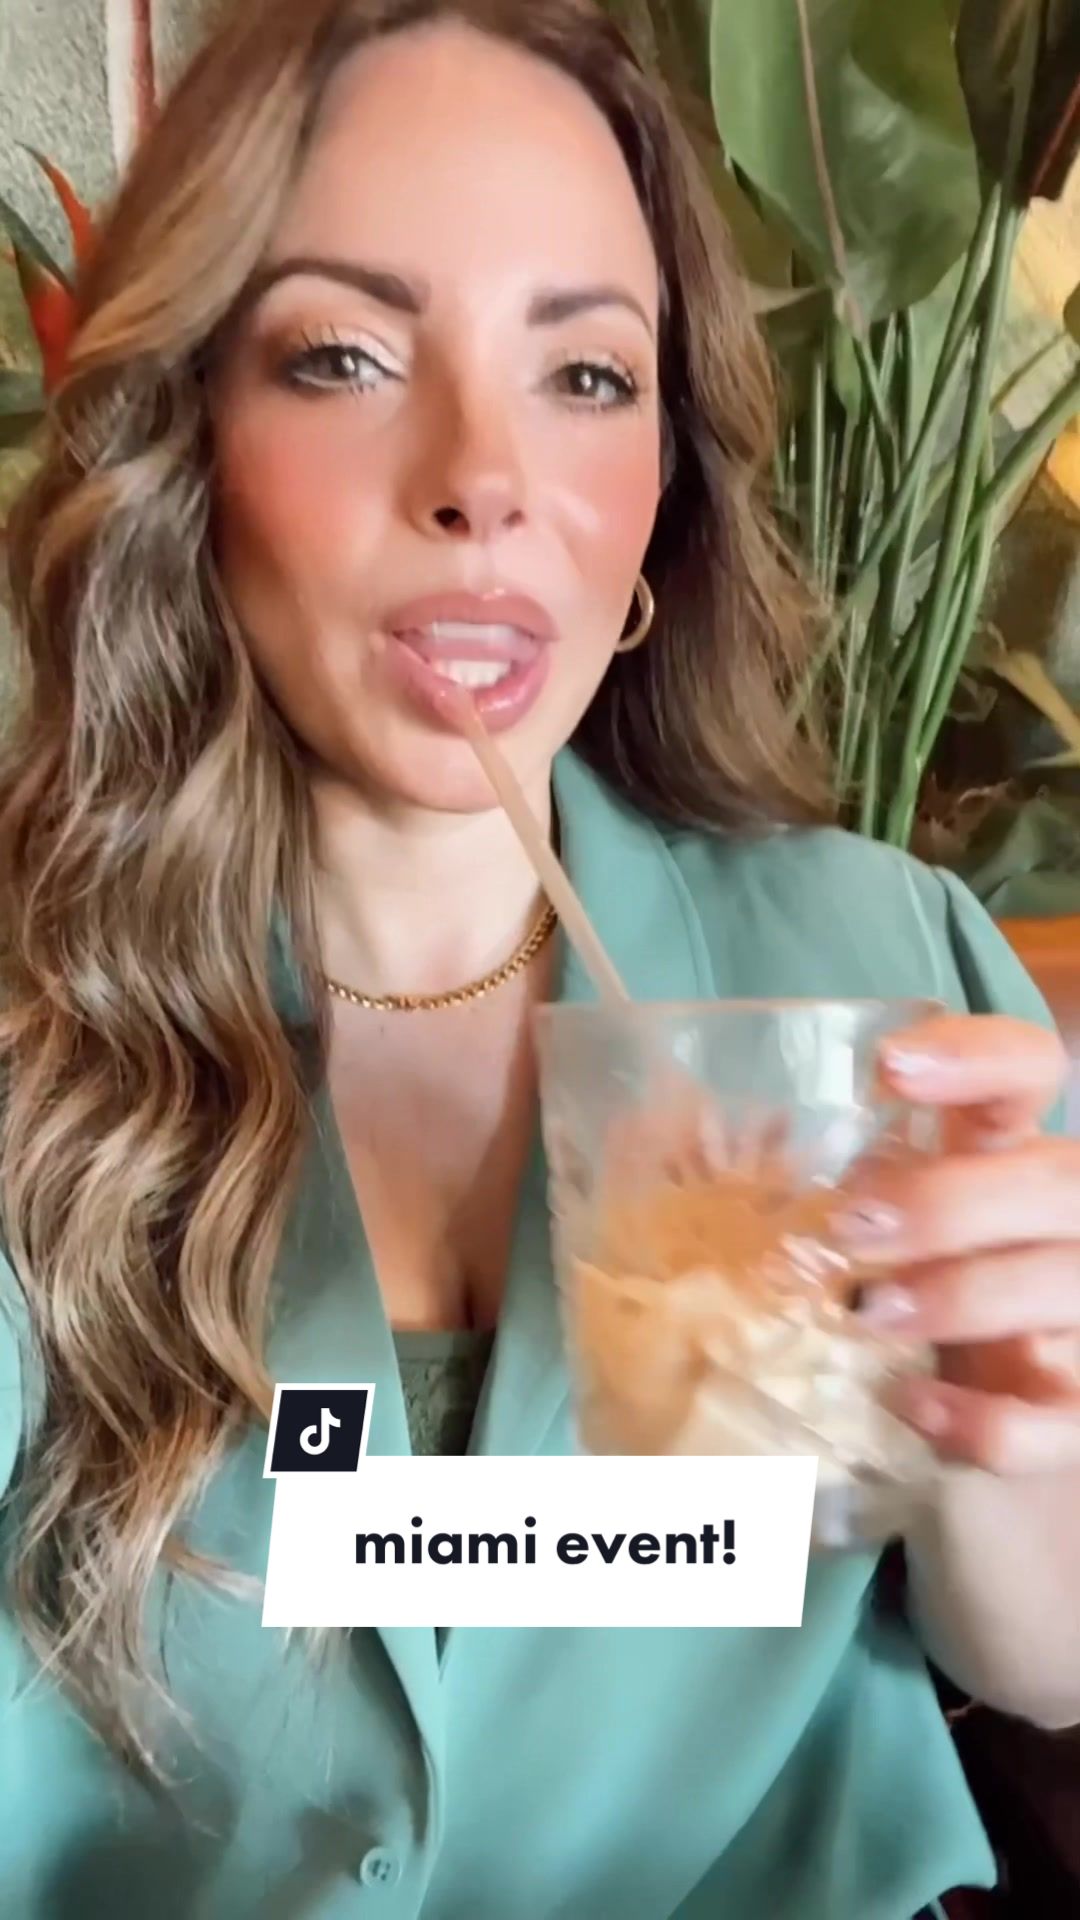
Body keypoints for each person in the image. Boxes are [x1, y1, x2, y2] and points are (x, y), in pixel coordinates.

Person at [0, 1, 1078, 1914]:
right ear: (190, 438)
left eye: (585, 373)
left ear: (663, 481)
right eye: (343, 356)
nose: (480, 478)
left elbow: (1050, 1661)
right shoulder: (37, 1029)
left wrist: (1020, 1446)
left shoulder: (878, 969)